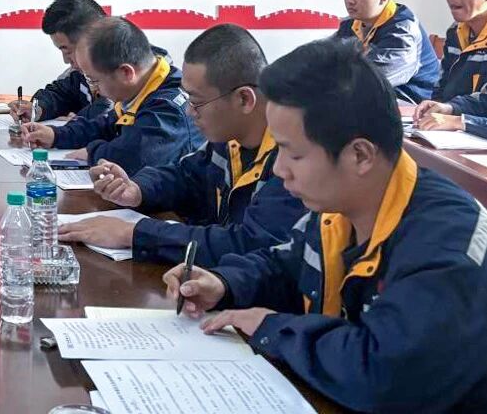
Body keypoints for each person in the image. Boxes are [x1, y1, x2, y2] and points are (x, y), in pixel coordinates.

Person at [165, 38, 487, 414]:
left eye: (294, 153)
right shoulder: (343, 204)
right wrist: (225, 283)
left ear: (360, 155)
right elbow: (288, 264)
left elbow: (385, 374)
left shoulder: (446, 242)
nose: (280, 169)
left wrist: (273, 328)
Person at [58, 25, 305, 266]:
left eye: (196, 102)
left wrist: (133, 234)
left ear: (243, 99)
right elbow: (186, 176)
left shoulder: (294, 160)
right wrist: (137, 190)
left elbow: (247, 244)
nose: (189, 111)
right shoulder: (229, 139)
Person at [21, 17, 199, 174]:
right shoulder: (142, 88)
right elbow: (105, 126)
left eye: (94, 80)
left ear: (126, 73)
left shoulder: (169, 107)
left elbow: (134, 156)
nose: (96, 90)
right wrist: (56, 135)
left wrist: (92, 152)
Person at [332, 0, 439, 102]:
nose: (350, 0)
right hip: (370, 100)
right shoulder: (351, 23)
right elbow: (327, 59)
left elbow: (370, 79)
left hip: (410, 105)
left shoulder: (403, 30)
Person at [7, 0, 106, 123]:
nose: (66, 60)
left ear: (91, 40)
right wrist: (37, 109)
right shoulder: (77, 75)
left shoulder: (121, 76)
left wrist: (79, 123)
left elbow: (108, 116)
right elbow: (59, 94)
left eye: (68, 51)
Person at [415, 0, 487, 130]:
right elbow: (442, 86)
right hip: (456, 131)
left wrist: (453, 113)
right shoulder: (455, 31)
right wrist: (434, 107)